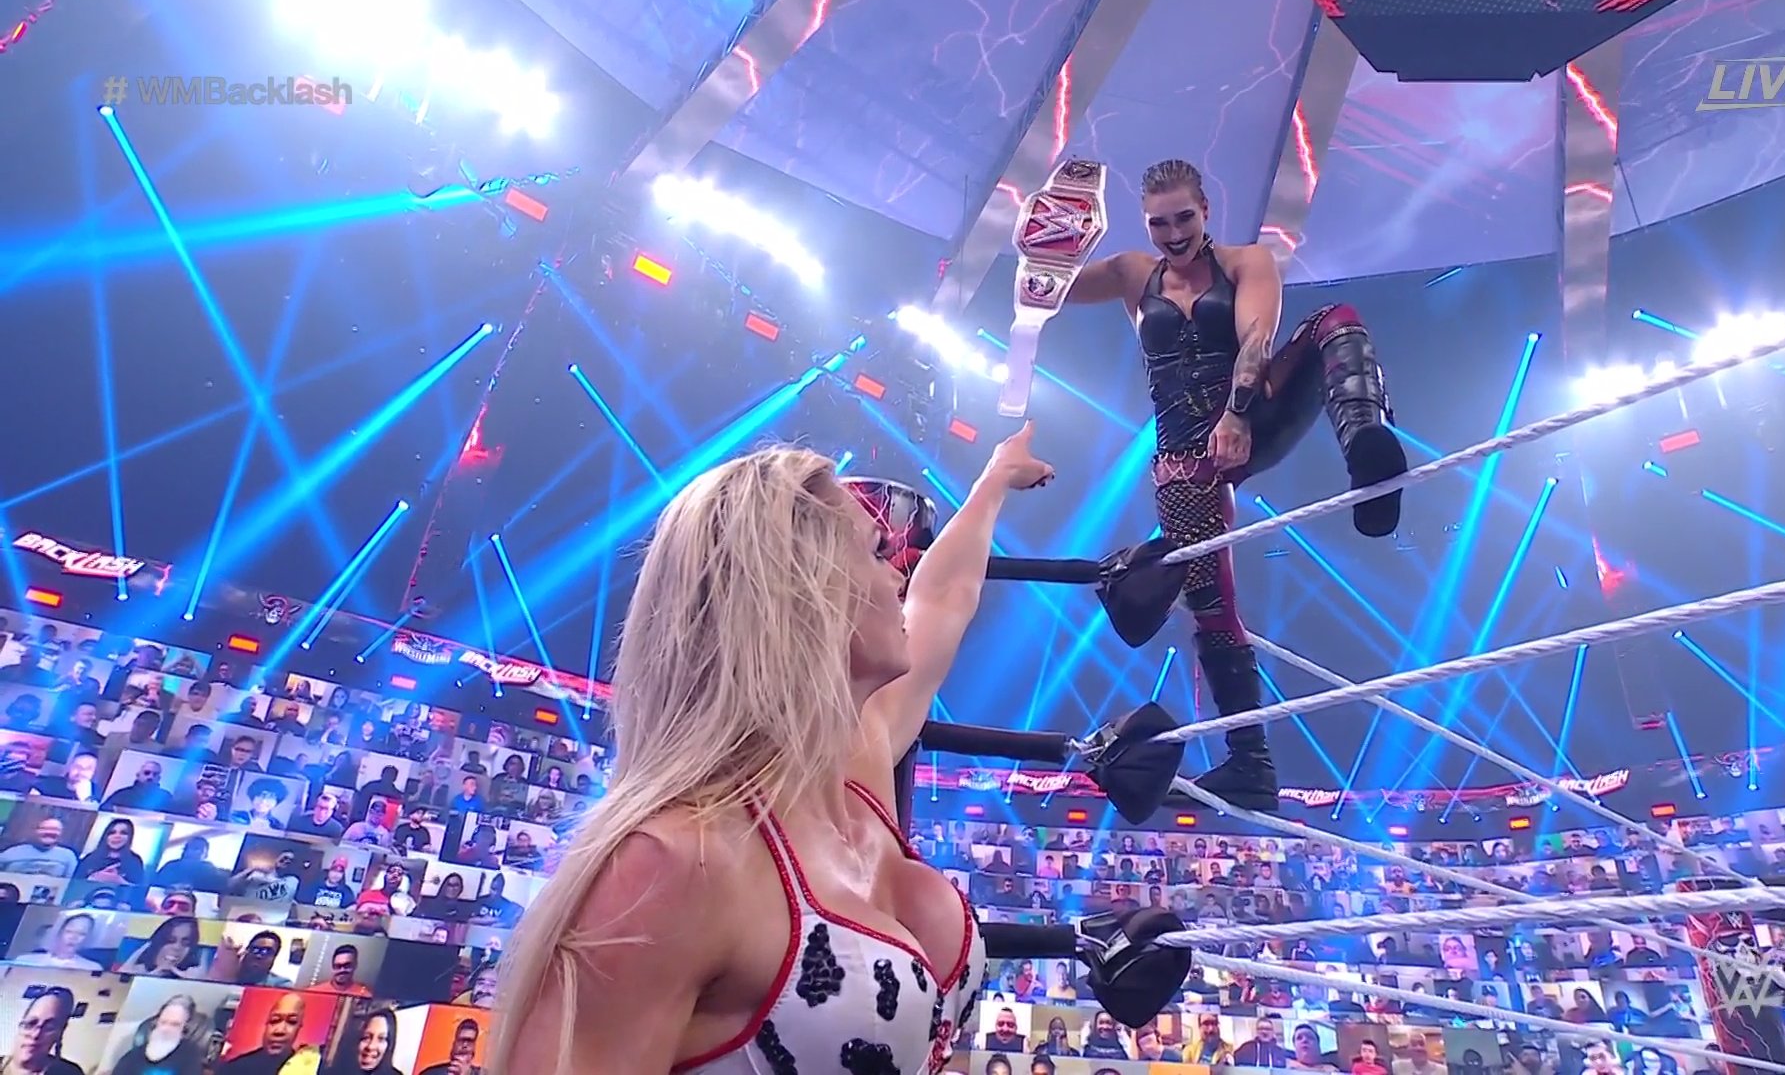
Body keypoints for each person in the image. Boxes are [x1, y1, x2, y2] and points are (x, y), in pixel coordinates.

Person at [492, 436, 1055, 1073]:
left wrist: (995, 480)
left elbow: (943, 599)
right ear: (803, 591)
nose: (899, 576)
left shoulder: (859, 763)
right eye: (877, 553)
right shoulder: (677, 861)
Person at [1064, 158, 1405, 805]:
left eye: (1183, 218)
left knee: (1337, 318)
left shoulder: (1248, 262)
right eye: (1158, 223)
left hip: (1251, 417)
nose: (1173, 234)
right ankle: (1252, 763)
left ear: (1206, 211)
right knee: (1211, 607)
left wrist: (1237, 413)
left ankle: (1368, 447)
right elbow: (1044, 289)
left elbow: (1255, 338)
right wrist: (1051, 237)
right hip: (1184, 458)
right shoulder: (1134, 273)